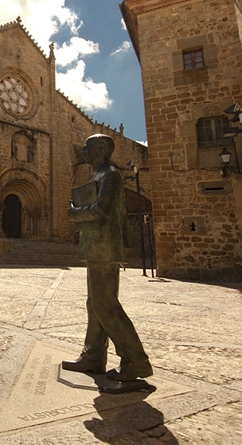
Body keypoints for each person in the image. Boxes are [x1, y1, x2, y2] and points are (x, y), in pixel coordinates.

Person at [61, 134, 153, 382]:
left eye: (88, 147)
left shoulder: (110, 174)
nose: (83, 151)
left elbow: (102, 210)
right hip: (96, 246)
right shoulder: (98, 174)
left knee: (106, 305)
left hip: (105, 247)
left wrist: (74, 212)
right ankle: (93, 356)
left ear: (101, 149)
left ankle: (136, 361)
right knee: (95, 304)